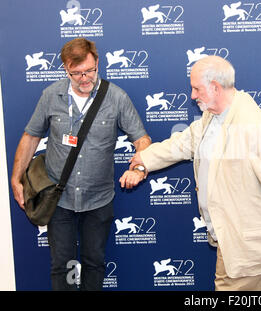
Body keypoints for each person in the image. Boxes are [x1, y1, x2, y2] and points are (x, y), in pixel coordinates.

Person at [120, 55, 261, 290]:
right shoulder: (212, 116)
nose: (192, 95)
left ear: (214, 87)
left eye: (196, 89)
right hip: (252, 242)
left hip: (248, 246)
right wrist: (144, 159)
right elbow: (184, 142)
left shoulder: (251, 126)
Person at [10, 38, 151, 291]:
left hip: (99, 199)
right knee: (61, 265)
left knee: (94, 262)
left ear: (98, 63)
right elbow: (31, 136)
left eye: (90, 70)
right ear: (66, 69)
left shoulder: (116, 97)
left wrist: (139, 168)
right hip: (58, 198)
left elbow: (141, 139)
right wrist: (16, 178)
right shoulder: (51, 95)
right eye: (76, 73)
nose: (84, 78)